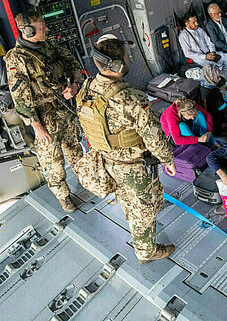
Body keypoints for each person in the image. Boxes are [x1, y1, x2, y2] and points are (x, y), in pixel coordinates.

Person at [75, 35, 176, 263]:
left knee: (129, 200)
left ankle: (136, 225)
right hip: (133, 167)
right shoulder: (130, 98)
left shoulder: (87, 88)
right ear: (118, 65)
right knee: (144, 207)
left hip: (106, 161)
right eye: (126, 57)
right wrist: (167, 160)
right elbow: (154, 137)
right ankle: (146, 251)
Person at [5, 10, 84, 213]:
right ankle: (64, 197)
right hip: (44, 119)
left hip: (64, 110)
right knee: (54, 162)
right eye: (42, 27)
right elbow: (20, 97)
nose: (47, 29)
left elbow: (73, 63)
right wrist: (36, 125)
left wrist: (74, 85)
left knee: (75, 149)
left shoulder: (49, 46)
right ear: (28, 31)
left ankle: (87, 180)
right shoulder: (17, 59)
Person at [178, 13, 227, 77]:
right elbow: (188, 53)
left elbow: (210, 43)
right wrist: (205, 57)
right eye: (193, 22)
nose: (197, 24)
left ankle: (225, 77)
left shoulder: (200, 30)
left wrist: (212, 51)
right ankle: (222, 79)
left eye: (196, 21)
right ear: (187, 24)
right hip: (199, 59)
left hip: (210, 54)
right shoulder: (183, 36)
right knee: (215, 69)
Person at [201, 64, 227, 129]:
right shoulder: (214, 91)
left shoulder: (203, 87)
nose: (220, 79)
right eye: (217, 77)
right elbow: (223, 108)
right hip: (215, 120)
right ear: (211, 77)